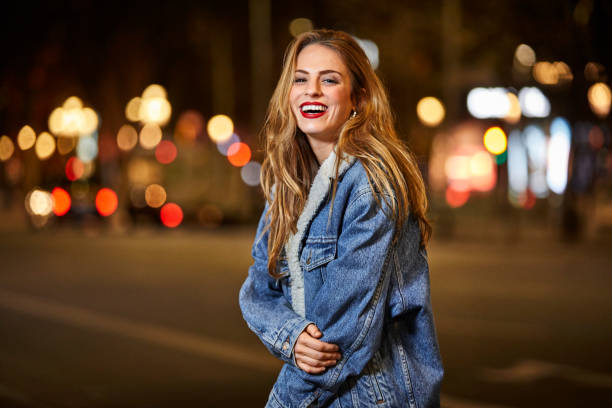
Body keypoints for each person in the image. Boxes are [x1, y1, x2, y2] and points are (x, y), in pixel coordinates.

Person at [239, 29, 443, 407]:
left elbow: (338, 338)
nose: (311, 90)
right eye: (300, 79)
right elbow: (257, 286)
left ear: (358, 99)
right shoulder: (288, 183)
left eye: (328, 80)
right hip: (324, 393)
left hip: (373, 396)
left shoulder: (371, 183)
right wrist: (293, 335)